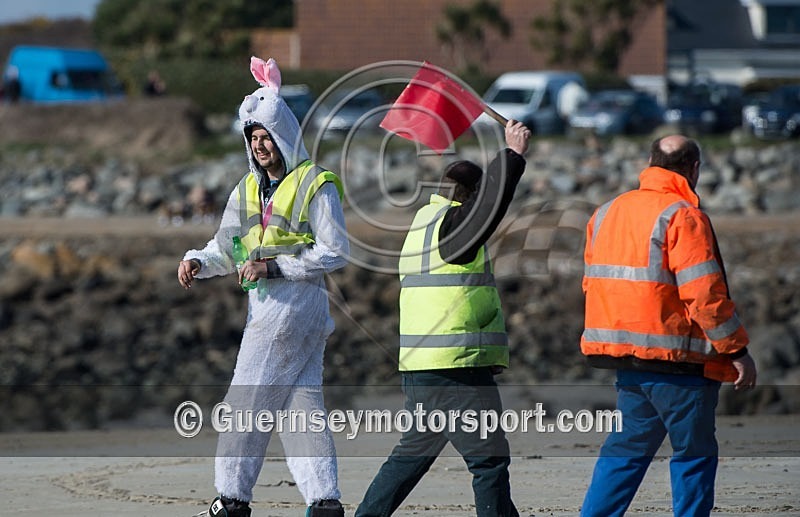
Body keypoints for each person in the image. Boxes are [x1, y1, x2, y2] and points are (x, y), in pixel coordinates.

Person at [177, 56, 347, 517]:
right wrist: (197, 260)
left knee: (244, 402)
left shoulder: (315, 183)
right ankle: (325, 502)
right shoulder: (245, 190)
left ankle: (230, 500)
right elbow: (227, 248)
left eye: (266, 135)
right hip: (291, 311)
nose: (259, 145)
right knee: (300, 408)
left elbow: (335, 251)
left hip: (289, 304)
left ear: (284, 136)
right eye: (252, 137)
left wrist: (274, 269)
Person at [355, 119, 531, 517]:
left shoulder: (421, 227)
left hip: (421, 368)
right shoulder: (453, 230)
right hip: (455, 368)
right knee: (489, 460)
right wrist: (514, 156)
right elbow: (488, 206)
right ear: (468, 198)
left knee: (412, 454)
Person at [579, 135, 757, 517]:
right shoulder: (684, 216)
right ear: (694, 169)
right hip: (679, 361)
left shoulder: (607, 212)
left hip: (626, 359)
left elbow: (593, 283)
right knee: (694, 456)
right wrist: (736, 350)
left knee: (625, 452)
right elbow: (704, 296)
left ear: (649, 161)